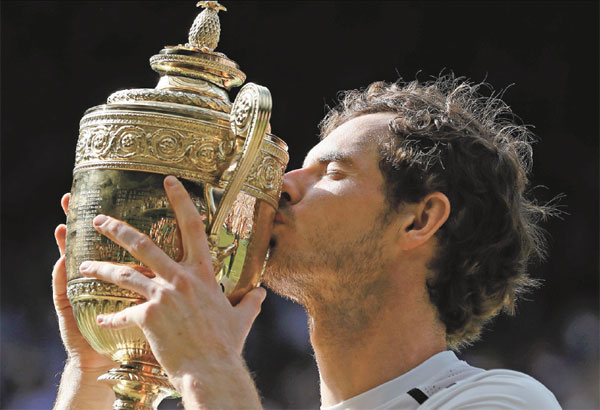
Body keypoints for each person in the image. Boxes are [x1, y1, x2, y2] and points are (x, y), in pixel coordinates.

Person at [52, 75, 562, 409]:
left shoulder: (503, 400)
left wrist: (209, 364)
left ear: (420, 219)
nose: (284, 186)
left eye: (333, 172)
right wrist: (95, 367)